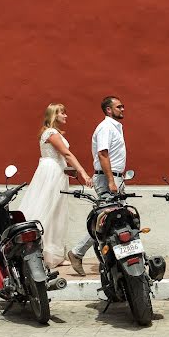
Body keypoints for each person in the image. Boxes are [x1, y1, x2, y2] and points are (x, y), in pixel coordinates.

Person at [18, 103, 92, 268]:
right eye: (62, 113)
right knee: (48, 210)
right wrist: (83, 173)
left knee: (54, 212)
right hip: (52, 173)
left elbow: (62, 157)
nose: (66, 116)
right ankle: (38, 252)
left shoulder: (52, 133)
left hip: (55, 172)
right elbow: (66, 154)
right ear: (53, 115)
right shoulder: (51, 133)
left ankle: (51, 254)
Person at [68, 96, 127, 276]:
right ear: (108, 110)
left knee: (117, 220)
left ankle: (117, 260)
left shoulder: (114, 127)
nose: (123, 109)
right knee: (106, 220)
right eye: (119, 107)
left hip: (116, 178)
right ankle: (77, 252)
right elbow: (103, 154)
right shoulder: (105, 128)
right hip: (108, 179)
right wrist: (110, 181)